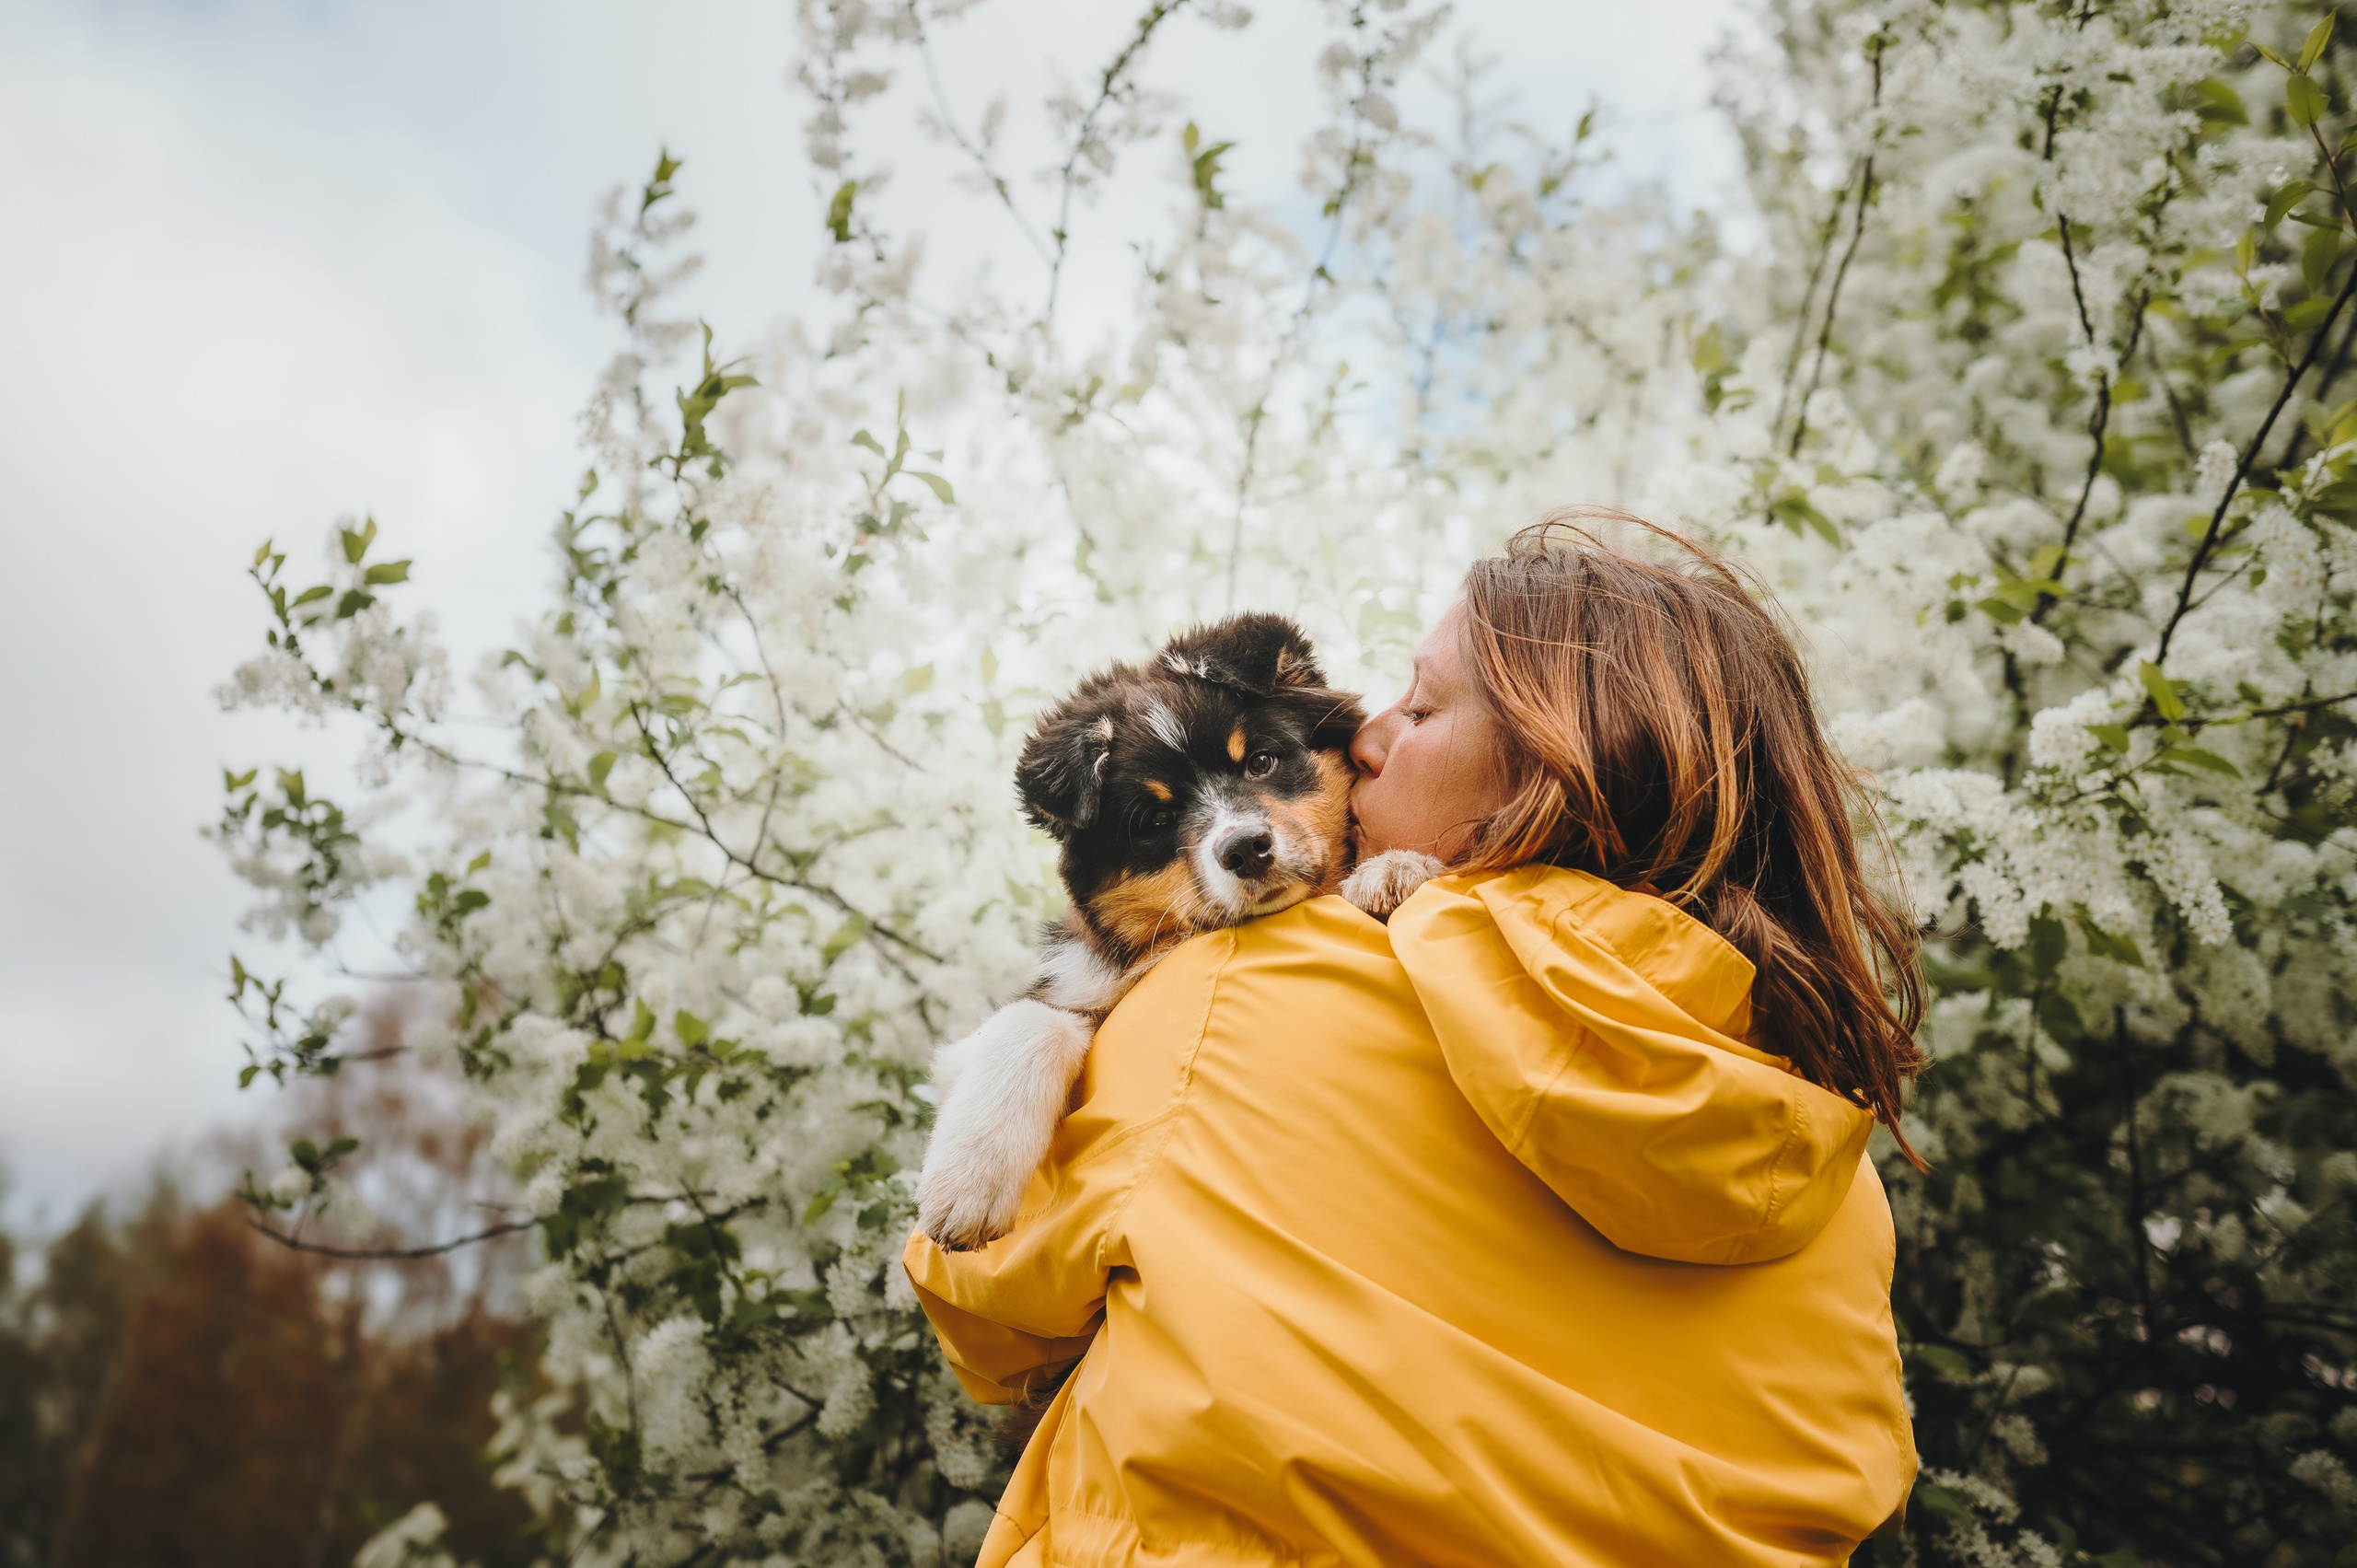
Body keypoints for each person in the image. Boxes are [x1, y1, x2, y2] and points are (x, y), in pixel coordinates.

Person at [902, 515, 1924, 1567]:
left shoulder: (1231, 997)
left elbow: (982, 1303)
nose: (1368, 733)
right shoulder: (1829, 1153)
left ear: (1553, 766)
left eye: (1423, 705)